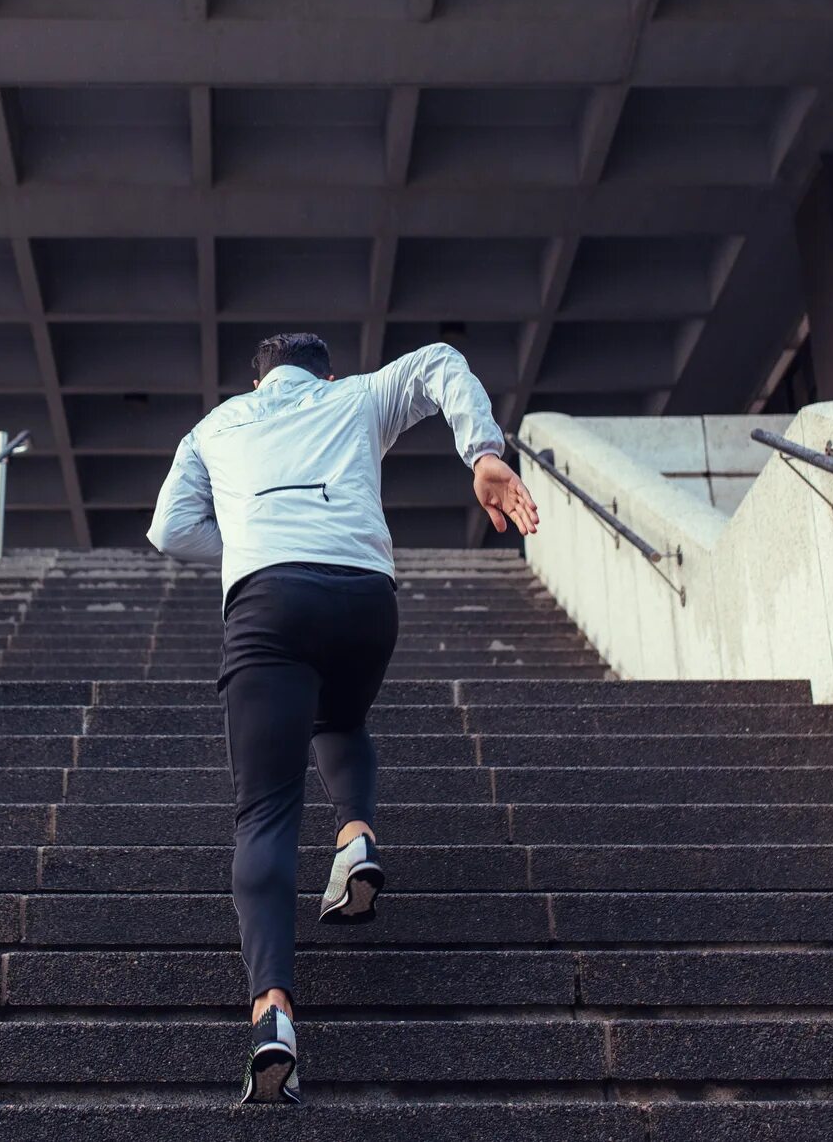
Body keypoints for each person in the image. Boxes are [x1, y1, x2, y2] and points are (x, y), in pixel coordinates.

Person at [146, 331, 541, 1105]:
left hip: (270, 600)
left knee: (264, 810)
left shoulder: (213, 428)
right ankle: (356, 836)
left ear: (255, 380)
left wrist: (249, 538)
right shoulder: (354, 395)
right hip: (365, 596)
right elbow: (437, 362)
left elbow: (167, 530)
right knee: (339, 718)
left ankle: (272, 1015)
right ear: (323, 371)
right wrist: (483, 454)